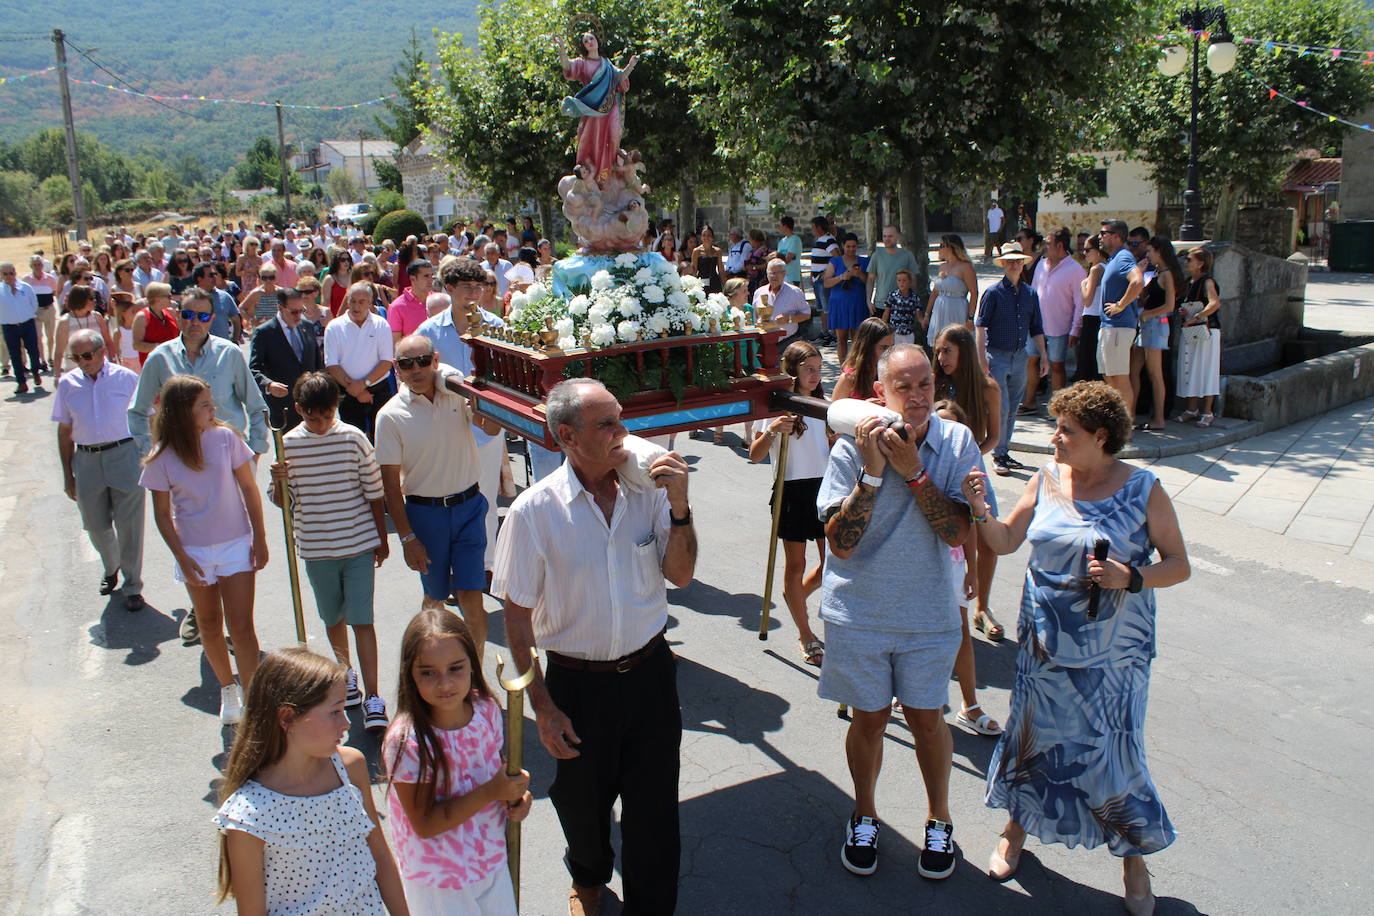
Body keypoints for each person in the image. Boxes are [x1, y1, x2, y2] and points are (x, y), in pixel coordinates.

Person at [962, 381, 1190, 914]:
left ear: (1101, 436)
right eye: (1056, 427)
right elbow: (1005, 541)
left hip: (1113, 659)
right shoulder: (1045, 478)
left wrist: (1130, 576)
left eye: (1066, 430)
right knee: (1033, 740)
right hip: (1043, 649)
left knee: (1113, 755)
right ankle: (1015, 829)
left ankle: (1134, 859)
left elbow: (1179, 565)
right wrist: (978, 508)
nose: (1055, 438)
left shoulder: (1144, 489)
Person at [491, 378, 694, 916]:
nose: (622, 432)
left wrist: (679, 506)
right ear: (567, 437)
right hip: (576, 686)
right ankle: (588, 878)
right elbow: (516, 616)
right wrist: (542, 706)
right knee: (583, 806)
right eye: (607, 424)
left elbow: (681, 575)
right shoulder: (534, 511)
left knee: (655, 813)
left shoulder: (648, 492)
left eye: (621, 419)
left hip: (650, 675)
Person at [817, 344, 979, 881]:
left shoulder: (956, 442)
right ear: (879, 392)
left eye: (924, 384)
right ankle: (864, 814)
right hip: (859, 612)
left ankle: (940, 819)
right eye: (903, 387)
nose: (916, 397)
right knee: (869, 719)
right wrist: (871, 473)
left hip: (928, 615)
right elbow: (840, 544)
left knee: (928, 721)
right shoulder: (850, 446)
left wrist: (914, 473)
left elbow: (957, 532)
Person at [213, 647, 408, 913]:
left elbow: (381, 857)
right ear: (287, 718)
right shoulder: (247, 816)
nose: (346, 723)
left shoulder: (350, 767)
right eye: (335, 712)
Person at [383, 610, 532, 914]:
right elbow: (425, 824)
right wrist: (492, 791)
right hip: (438, 881)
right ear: (409, 673)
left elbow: (496, 772)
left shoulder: (486, 709)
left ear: (472, 664)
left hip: (490, 860)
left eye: (455, 668)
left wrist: (516, 795)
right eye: (428, 672)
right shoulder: (407, 741)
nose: (444, 683)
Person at [140, 375, 267, 724]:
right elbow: (162, 514)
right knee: (209, 625)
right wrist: (181, 557)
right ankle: (228, 690)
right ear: (183, 411)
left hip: (235, 545)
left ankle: (252, 697)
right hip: (194, 552)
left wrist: (259, 538)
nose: (213, 409)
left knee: (241, 627)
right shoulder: (161, 456)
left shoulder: (226, 438)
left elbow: (249, 488)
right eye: (205, 405)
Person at [270, 372, 391, 730]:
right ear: (299, 410)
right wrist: (278, 481)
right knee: (333, 618)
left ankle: (373, 696)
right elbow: (283, 502)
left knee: (362, 620)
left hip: (357, 545)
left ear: (336, 408)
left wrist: (381, 538)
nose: (321, 424)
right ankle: (345, 672)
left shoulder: (353, 438)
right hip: (317, 548)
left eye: (327, 416)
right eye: (313, 418)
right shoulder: (288, 446)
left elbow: (374, 492)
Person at [376, 335, 500, 649]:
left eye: (422, 361)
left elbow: (492, 428)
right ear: (397, 369)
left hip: (469, 507)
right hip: (426, 515)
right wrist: (407, 539)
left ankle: (474, 674)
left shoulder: (455, 393)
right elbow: (390, 485)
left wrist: (474, 394)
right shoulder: (389, 416)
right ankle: (427, 663)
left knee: (471, 595)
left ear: (435, 360)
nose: (416, 369)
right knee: (435, 600)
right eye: (407, 364)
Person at [748, 341, 831, 666]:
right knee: (795, 565)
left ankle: (796, 596)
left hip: (826, 488)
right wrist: (771, 431)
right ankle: (805, 633)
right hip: (792, 490)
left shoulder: (824, 405)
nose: (815, 375)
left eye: (818, 368)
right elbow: (755, 455)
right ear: (792, 370)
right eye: (808, 369)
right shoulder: (777, 406)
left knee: (833, 563)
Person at [51, 328, 144, 610]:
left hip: (124, 455)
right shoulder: (68, 384)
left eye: (88, 355)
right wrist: (68, 475)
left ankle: (132, 585)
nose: (83, 362)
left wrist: (148, 456)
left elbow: (145, 419)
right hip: (87, 460)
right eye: (76, 357)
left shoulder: (126, 378)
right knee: (95, 524)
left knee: (130, 526)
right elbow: (64, 430)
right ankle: (111, 565)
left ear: (102, 352)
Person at [930, 399, 1002, 737]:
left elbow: (969, 525)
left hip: (952, 561)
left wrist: (972, 570)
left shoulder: (963, 465)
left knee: (960, 634)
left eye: (952, 425)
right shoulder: (913, 456)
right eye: (939, 423)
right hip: (916, 561)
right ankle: (906, 693)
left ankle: (970, 705)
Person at [932, 324, 1004, 643]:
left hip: (974, 470)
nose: (941, 357)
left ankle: (982, 609)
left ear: (965, 350)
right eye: (938, 351)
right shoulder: (934, 383)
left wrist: (969, 455)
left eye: (947, 350)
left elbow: (994, 437)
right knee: (949, 540)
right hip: (939, 469)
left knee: (989, 541)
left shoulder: (988, 388)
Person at [975, 247, 1048, 477]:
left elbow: (1036, 327)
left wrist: (1043, 355)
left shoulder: (1030, 294)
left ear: (1023, 264)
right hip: (997, 355)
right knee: (1001, 406)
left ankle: (1003, 450)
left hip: (1020, 355)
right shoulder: (993, 293)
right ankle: (998, 453)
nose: (1015, 265)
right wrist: (981, 359)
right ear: (1004, 265)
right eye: (1010, 262)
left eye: (1018, 261)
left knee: (1013, 406)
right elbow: (980, 327)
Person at [559, 32, 638, 182]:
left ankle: (611, 171)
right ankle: (592, 174)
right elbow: (567, 67)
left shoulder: (606, 63)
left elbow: (620, 77)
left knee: (613, 136)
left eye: (591, 38)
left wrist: (631, 66)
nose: (589, 42)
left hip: (610, 106)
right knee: (593, 140)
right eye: (586, 41)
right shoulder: (582, 63)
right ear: (583, 46)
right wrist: (562, 49)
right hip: (593, 109)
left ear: (597, 40)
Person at [325, 281, 395, 438]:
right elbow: (332, 365)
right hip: (347, 391)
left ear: (370, 303)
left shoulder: (381, 324)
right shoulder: (334, 327)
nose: (356, 306)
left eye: (362, 301)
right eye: (353, 301)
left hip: (378, 390)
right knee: (352, 438)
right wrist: (356, 390)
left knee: (383, 438)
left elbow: (386, 362)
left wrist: (363, 384)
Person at [250, 286, 323, 430]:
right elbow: (253, 369)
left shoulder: (307, 327)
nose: (298, 316)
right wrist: (269, 385)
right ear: (280, 308)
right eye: (294, 312)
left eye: (301, 311)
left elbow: (318, 364)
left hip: (311, 405)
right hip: (283, 408)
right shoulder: (264, 333)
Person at [1130, 237, 1184, 432]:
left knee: (1155, 373)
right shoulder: (1157, 272)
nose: (1148, 255)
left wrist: (1147, 314)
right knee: (1133, 371)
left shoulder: (1167, 275)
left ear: (1159, 251)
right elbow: (1145, 298)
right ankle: (1130, 414)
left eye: (1150, 251)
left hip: (1155, 324)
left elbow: (1169, 306)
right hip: (1146, 324)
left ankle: (1159, 418)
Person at [1027, 227, 1087, 399]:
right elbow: (1033, 292)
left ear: (1059, 245)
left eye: (1048, 243)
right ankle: (1029, 402)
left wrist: (1075, 330)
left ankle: (1057, 406)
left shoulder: (1075, 270)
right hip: (1036, 326)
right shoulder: (1041, 264)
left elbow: (1080, 303)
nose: (1044, 247)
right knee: (1031, 361)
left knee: (1057, 366)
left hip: (1060, 328)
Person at [1098, 219, 1145, 410]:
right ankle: (1118, 419)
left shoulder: (1123, 257)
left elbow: (1138, 281)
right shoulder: (1114, 258)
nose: (1100, 237)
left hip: (1118, 327)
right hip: (1110, 327)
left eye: (1103, 233)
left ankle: (1126, 423)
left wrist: (1120, 305)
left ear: (1116, 236)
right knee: (1110, 377)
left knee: (1119, 379)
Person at [1175, 246, 1223, 427]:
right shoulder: (1189, 282)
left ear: (1201, 263)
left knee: (1207, 369)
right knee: (1190, 367)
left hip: (1206, 330)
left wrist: (1196, 317)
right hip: (1191, 330)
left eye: (1189, 260)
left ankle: (1207, 411)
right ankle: (1191, 408)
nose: (1186, 262)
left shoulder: (1207, 282)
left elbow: (1214, 303)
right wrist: (1185, 312)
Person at [822, 234, 871, 363]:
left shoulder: (865, 261)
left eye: (854, 246)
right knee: (841, 339)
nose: (851, 249)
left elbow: (870, 281)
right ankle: (843, 368)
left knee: (857, 340)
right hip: (840, 304)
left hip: (858, 304)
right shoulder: (835, 261)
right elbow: (826, 282)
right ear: (842, 246)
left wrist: (859, 274)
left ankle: (857, 368)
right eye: (848, 246)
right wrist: (841, 277)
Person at [0, 262, 45, 394]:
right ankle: (21, 382)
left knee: (33, 351)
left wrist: (26, 314)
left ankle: (35, 371)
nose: (9, 276)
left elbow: (34, 304)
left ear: (15, 273)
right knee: (15, 355)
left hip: (27, 323)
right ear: (1, 275)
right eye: (5, 274)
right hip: (9, 327)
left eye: (11, 273)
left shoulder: (25, 287)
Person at [925, 235, 979, 342]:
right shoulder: (942, 267)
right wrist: (927, 314)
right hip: (940, 309)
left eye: (942, 245)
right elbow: (935, 292)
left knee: (957, 341)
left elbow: (974, 293)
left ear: (951, 247)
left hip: (957, 309)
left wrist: (970, 317)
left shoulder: (966, 267)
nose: (939, 249)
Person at [53, 285, 115, 374]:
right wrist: (57, 375)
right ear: (80, 300)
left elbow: (108, 342)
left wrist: (113, 361)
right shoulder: (65, 322)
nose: (95, 301)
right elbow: (59, 352)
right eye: (91, 298)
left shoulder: (97, 317)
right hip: (76, 371)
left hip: (100, 370)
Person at [1071, 233, 1107, 383]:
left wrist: (1082, 285)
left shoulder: (1096, 269)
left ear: (1097, 250)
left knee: (1087, 363)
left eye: (1087, 250)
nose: (1084, 253)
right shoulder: (1106, 266)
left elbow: (1087, 300)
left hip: (1092, 319)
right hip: (1099, 318)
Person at [831, 317, 893, 402]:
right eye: (884, 347)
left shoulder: (890, 374)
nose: (889, 353)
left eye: (891, 347)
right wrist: (863, 406)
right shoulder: (849, 378)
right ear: (868, 347)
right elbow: (834, 408)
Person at [866, 225, 921, 321]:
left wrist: (912, 302)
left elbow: (913, 281)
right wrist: (868, 300)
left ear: (898, 236)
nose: (887, 239)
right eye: (884, 236)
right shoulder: (877, 255)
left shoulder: (907, 255)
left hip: (902, 306)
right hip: (880, 305)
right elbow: (870, 279)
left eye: (890, 236)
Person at [753, 257, 809, 345]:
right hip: (764, 342)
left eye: (777, 273)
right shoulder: (759, 292)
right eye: (771, 273)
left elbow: (806, 314)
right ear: (767, 274)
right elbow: (755, 317)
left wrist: (788, 319)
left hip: (787, 341)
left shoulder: (794, 292)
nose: (774, 276)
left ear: (784, 273)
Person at [129, 282, 181, 367]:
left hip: (174, 364)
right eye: (168, 296)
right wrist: (161, 347)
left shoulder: (170, 312)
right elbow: (137, 345)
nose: (171, 299)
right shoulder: (142, 317)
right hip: (153, 366)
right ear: (158, 299)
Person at [192, 262, 242, 343]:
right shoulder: (190, 299)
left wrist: (234, 341)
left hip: (222, 347)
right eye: (211, 275)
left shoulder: (225, 297)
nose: (215, 277)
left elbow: (236, 321)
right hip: (197, 347)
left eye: (215, 274)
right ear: (199, 279)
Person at [389, 261, 436, 344]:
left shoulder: (438, 301)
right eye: (426, 276)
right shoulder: (397, 307)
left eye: (431, 275)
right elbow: (396, 343)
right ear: (413, 279)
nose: (431, 280)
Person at [26, 254, 59, 371]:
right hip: (36, 311)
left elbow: (54, 292)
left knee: (51, 335)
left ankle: (50, 357)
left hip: (49, 309)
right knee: (38, 337)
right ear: (31, 266)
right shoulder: (27, 280)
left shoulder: (50, 278)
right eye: (35, 265)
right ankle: (42, 360)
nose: (37, 267)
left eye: (39, 264)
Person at [882, 268, 922, 346]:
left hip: (908, 333)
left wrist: (923, 321)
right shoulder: (892, 296)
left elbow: (919, 315)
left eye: (904, 280)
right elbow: (886, 313)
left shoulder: (914, 298)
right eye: (899, 280)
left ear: (910, 282)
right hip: (894, 332)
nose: (901, 283)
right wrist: (883, 325)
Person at [240, 264, 282, 333]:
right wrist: (252, 321)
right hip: (261, 330)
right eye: (264, 278)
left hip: (278, 330)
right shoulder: (257, 293)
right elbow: (241, 308)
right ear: (260, 278)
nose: (268, 280)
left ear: (276, 277)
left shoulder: (281, 292)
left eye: (271, 277)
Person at [690, 225, 724, 293]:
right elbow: (694, 271)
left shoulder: (717, 251)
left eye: (709, 235)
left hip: (714, 282)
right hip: (701, 282)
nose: (706, 238)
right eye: (704, 235)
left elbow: (721, 270)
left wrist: (724, 284)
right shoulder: (696, 251)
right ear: (701, 237)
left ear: (712, 237)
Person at [775, 216, 805, 288]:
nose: (779, 228)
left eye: (780, 226)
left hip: (792, 277)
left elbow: (788, 259)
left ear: (785, 226)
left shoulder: (795, 240)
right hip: (781, 277)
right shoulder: (781, 241)